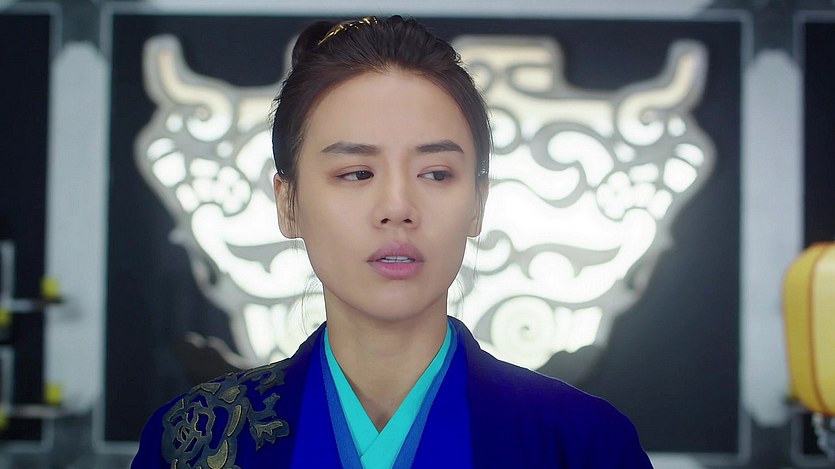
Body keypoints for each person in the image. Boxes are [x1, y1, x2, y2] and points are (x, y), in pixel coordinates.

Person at [132, 15, 653, 468]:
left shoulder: (583, 444)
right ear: (288, 203)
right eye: (357, 173)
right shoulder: (193, 442)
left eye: (436, 174)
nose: (399, 207)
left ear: (477, 203)